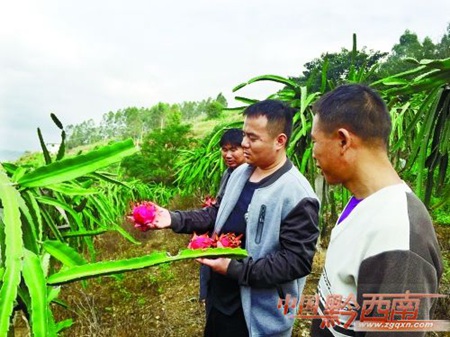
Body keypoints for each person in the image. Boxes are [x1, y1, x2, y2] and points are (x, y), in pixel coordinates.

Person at [149, 99, 320, 337]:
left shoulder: (297, 194)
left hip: (257, 315)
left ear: (280, 141)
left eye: (253, 138)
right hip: (220, 300)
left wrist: (234, 269)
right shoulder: (239, 173)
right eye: (244, 135)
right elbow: (216, 213)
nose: (243, 144)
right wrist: (173, 218)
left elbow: (296, 261)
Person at [309, 84, 443, 337]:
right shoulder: (361, 203)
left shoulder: (399, 233)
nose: (313, 154)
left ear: (342, 140)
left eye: (315, 142)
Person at [199, 128, 246, 302]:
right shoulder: (228, 173)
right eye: (225, 149)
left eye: (234, 149)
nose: (228, 155)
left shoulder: (250, 175)